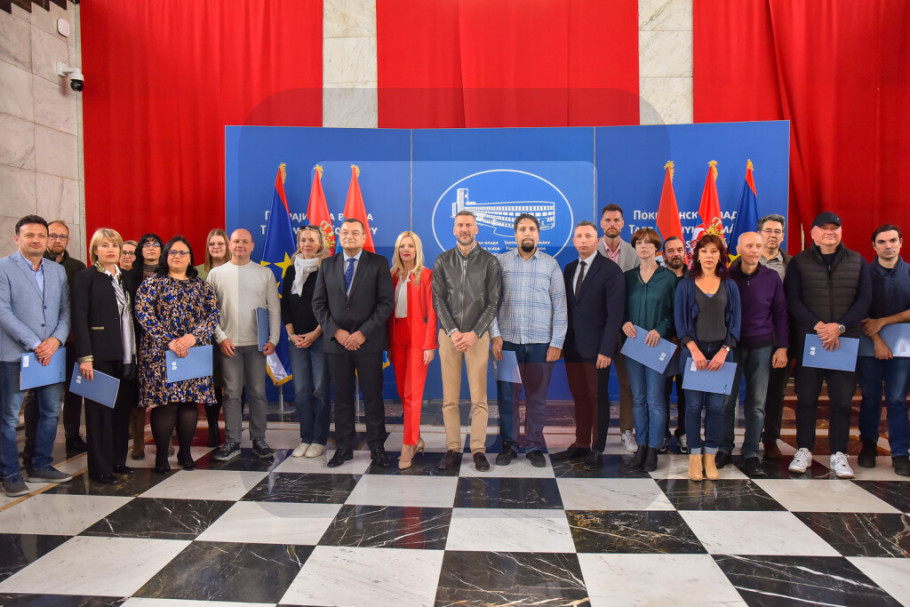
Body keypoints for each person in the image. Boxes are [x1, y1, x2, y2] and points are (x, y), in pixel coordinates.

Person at [785, 212, 870, 479]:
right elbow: (792, 299)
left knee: (842, 401)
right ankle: (804, 450)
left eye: (835, 228)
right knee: (806, 399)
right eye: (823, 228)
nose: (829, 232)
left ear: (841, 232)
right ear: (813, 233)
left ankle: (838, 453)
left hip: (844, 342)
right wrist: (819, 326)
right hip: (811, 342)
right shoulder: (799, 262)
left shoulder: (857, 261)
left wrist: (839, 327)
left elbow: (864, 300)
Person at [0, 215, 72, 497]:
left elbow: (66, 310)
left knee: (51, 411)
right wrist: (34, 343)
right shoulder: (4, 268)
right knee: (8, 418)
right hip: (14, 355)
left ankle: (41, 463)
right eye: (29, 235)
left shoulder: (57, 271)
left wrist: (55, 340)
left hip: (50, 354)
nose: (36, 240)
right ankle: (10, 474)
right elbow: (3, 312)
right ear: (17, 238)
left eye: (42, 235)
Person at [312, 219, 394, 468]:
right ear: (339, 236)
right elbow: (318, 304)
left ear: (363, 237)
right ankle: (344, 448)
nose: (349, 236)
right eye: (345, 232)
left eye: (355, 233)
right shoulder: (327, 264)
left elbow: (386, 303)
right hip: (337, 344)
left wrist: (363, 333)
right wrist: (335, 332)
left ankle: (377, 448)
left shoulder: (378, 263)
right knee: (342, 398)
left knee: (372, 397)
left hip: (367, 343)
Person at [135, 236, 219, 473]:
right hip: (161, 353)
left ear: (191, 258)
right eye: (173, 252)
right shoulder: (152, 284)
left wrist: (193, 337)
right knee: (166, 405)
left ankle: (186, 453)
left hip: (192, 351)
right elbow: (144, 314)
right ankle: (162, 456)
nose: (178, 256)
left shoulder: (202, 286)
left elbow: (213, 315)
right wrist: (169, 341)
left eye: (183, 252)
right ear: (165, 256)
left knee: (189, 404)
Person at [490, 214, 566, 467]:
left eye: (532, 229)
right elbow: (491, 303)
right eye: (522, 229)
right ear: (515, 235)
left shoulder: (550, 265)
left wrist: (556, 343)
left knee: (537, 397)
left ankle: (534, 445)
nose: (527, 233)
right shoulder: (500, 263)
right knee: (507, 397)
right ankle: (509, 445)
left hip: (540, 344)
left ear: (538, 235)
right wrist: (495, 335)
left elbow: (560, 306)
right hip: (508, 343)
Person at [432, 211, 501, 472]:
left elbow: (493, 303)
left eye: (469, 225)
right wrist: (452, 331)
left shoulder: (489, 261)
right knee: (449, 398)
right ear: (454, 229)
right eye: (460, 225)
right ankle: (452, 448)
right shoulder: (443, 260)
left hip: (477, 337)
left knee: (479, 398)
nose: (464, 229)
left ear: (476, 229)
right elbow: (438, 300)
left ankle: (478, 450)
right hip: (449, 336)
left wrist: (474, 333)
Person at [554, 221, 625, 471]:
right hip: (573, 348)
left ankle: (597, 448)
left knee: (597, 398)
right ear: (574, 241)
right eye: (579, 236)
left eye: (588, 236)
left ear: (597, 240)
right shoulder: (569, 268)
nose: (583, 240)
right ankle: (581, 443)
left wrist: (607, 349)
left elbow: (615, 315)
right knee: (580, 397)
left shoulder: (610, 270)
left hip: (598, 351)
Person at [717, 232, 788, 478]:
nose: (755, 250)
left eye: (758, 246)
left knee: (757, 404)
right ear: (738, 248)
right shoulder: (726, 276)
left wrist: (782, 347)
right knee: (726, 402)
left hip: (762, 346)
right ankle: (724, 448)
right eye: (749, 246)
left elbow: (780, 313)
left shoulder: (772, 277)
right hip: (732, 346)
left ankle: (750, 452)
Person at [207, 229, 281, 462]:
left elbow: (274, 307)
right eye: (236, 241)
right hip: (228, 344)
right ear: (230, 245)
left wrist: (273, 338)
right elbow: (209, 311)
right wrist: (220, 338)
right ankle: (232, 441)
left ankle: (259, 439)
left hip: (257, 344)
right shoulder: (216, 274)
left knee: (258, 392)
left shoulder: (264, 273)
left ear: (252, 246)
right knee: (231, 393)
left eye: (245, 241)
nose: (240, 244)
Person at [72, 228, 140, 484]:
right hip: (98, 355)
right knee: (99, 414)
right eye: (104, 245)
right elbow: (79, 317)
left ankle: (117, 461)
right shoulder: (85, 277)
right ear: (95, 250)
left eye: (115, 245)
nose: (111, 250)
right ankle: (100, 469)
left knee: (120, 411)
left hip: (126, 355)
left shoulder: (126, 277)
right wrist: (85, 357)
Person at [675, 233, 741, 481]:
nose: (709, 255)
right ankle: (694, 456)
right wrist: (693, 350)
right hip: (693, 352)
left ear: (720, 255)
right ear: (697, 255)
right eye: (704, 251)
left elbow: (735, 322)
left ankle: (710, 456)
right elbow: (680, 321)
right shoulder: (686, 284)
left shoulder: (730, 285)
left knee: (716, 407)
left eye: (714, 251)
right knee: (693, 406)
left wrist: (725, 350)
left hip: (722, 354)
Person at [22, 219, 87, 462]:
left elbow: (77, 305)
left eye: (62, 237)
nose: (57, 240)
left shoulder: (77, 267)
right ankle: (32, 444)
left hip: (70, 340)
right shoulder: (34, 264)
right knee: (36, 394)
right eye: (53, 236)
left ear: (68, 240)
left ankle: (72, 436)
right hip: (41, 343)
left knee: (73, 391)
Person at [857, 224, 910, 476]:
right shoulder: (863, 275)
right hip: (868, 345)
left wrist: (884, 321)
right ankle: (868, 445)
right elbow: (858, 311)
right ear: (874, 246)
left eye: (892, 241)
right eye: (882, 242)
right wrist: (877, 339)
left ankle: (900, 452)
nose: (888, 246)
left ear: (901, 242)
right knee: (870, 397)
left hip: (902, 348)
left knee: (897, 399)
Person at [622, 228, 676, 472]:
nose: (643, 246)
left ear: (657, 248)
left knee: (655, 399)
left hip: (656, 345)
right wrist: (624, 322)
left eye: (648, 243)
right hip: (634, 344)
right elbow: (620, 308)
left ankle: (654, 448)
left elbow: (674, 312)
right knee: (638, 398)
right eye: (639, 243)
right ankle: (641, 446)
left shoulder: (668, 278)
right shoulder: (628, 277)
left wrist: (660, 329)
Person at [388, 231, 437, 469]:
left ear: (417, 249)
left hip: (418, 338)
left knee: (412, 392)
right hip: (397, 337)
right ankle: (416, 438)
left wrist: (430, 345)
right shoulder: (392, 275)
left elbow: (433, 312)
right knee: (402, 390)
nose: (406, 250)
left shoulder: (426, 275)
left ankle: (408, 444)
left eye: (410, 246)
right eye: (402, 246)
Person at [282, 226, 330, 459]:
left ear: (320, 244)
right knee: (301, 392)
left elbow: (330, 306)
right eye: (303, 240)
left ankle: (319, 439)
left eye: (311, 240)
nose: (307, 244)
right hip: (297, 340)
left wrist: (315, 334)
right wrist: (291, 334)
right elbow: (285, 305)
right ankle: (305, 437)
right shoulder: (291, 270)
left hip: (320, 338)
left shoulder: (326, 268)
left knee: (320, 390)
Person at [597, 204, 640, 453]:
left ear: (623, 223)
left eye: (616, 220)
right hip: (600, 330)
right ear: (601, 223)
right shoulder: (592, 250)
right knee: (597, 387)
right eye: (608, 220)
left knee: (628, 385)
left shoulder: (633, 254)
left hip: (626, 331)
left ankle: (627, 431)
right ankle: (597, 434)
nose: (612, 224)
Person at [757, 214, 792, 460]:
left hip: (780, 337)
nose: (773, 235)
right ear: (759, 234)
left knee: (775, 392)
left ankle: (770, 438)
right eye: (768, 230)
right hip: (749, 337)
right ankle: (743, 439)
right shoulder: (743, 262)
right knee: (748, 392)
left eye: (777, 231)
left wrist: (785, 344)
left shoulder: (792, 265)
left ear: (782, 235)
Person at [128, 232, 164, 460]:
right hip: (135, 339)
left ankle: (164, 440)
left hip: (163, 341)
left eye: (156, 244)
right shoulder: (129, 275)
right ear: (140, 250)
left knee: (163, 393)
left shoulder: (169, 273)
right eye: (146, 244)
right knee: (137, 394)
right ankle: (138, 443)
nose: (151, 247)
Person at [194, 228, 231, 446]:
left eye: (220, 243)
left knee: (235, 382)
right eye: (212, 244)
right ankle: (213, 427)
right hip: (205, 337)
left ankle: (234, 428)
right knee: (213, 383)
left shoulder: (236, 269)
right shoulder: (197, 272)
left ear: (227, 246)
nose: (216, 247)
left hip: (232, 334)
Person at [661, 235, 688, 453]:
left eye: (679, 250)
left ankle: (684, 433)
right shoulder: (659, 279)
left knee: (686, 393)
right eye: (670, 250)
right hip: (662, 345)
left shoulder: (695, 278)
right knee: (660, 392)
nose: (675, 254)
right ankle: (661, 434)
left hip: (689, 345)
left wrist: (684, 338)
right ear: (663, 256)